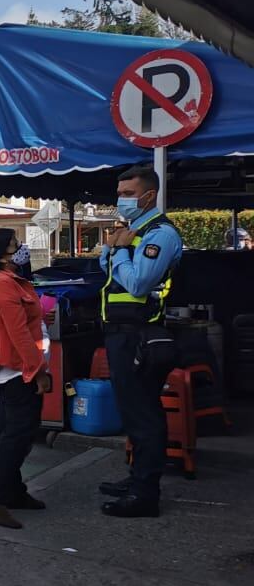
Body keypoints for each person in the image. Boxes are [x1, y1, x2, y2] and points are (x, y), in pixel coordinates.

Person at [98, 165, 184, 518]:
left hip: (140, 336)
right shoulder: (134, 232)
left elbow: (138, 284)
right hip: (121, 334)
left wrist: (118, 252)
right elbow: (104, 261)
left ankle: (145, 493)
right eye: (120, 193)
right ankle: (137, 478)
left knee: (144, 415)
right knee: (135, 412)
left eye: (128, 194)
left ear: (149, 195)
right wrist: (115, 250)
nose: (122, 200)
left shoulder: (160, 235)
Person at [0, 229, 51, 529]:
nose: (21, 249)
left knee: (13, 431)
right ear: (1, 254)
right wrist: (38, 371)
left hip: (15, 366)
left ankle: (14, 492)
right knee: (19, 434)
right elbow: (18, 333)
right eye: (15, 245)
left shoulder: (7, 282)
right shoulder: (1, 284)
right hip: (16, 367)